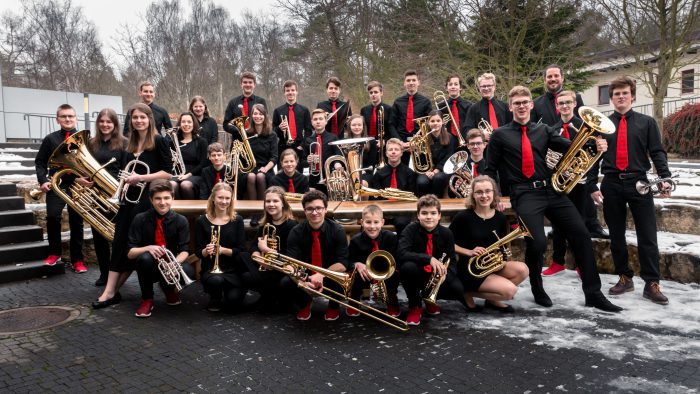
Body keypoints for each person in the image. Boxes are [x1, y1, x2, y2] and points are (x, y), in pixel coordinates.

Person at [483, 85, 621, 312]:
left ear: (531, 105)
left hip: (552, 190)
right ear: (510, 107)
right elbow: (490, 169)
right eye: (516, 103)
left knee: (581, 234)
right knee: (536, 242)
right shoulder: (500, 135)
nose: (521, 106)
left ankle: (593, 294)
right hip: (524, 193)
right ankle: (537, 287)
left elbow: (571, 149)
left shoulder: (543, 130)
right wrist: (494, 194)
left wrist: (594, 145)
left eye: (525, 102)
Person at [589, 76, 671, 305]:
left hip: (639, 183)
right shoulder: (602, 125)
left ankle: (651, 283)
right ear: (611, 98)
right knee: (616, 235)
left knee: (648, 235)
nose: (621, 97)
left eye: (625, 93)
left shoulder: (646, 122)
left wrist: (664, 177)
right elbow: (593, 157)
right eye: (616, 94)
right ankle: (624, 277)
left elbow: (657, 152)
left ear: (632, 96)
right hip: (611, 183)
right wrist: (592, 184)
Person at [92, 103, 173, 309]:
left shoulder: (159, 141)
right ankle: (110, 291)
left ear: (149, 119)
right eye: (135, 118)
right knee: (120, 243)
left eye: (142, 118)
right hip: (128, 201)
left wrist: (141, 177)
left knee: (133, 245)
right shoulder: (129, 143)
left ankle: (111, 292)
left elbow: (167, 172)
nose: (139, 121)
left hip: (147, 201)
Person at [531, 65, 607, 238]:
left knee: (583, 197)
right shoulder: (538, 103)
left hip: (576, 148)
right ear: (545, 80)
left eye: (556, 76)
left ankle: (592, 226)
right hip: (555, 154)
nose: (552, 79)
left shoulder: (575, 97)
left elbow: (584, 120)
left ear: (562, 78)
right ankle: (558, 231)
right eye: (549, 76)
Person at [449, 176, 529, 312]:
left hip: (490, 266)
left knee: (523, 269)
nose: (484, 195)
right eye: (479, 192)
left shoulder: (500, 217)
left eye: (488, 191)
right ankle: (466, 292)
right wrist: (468, 251)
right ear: (473, 195)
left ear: (494, 193)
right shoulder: (463, 217)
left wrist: (502, 259)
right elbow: (446, 243)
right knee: (509, 291)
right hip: (471, 270)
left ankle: (492, 300)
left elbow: (502, 245)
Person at [542, 91, 589, 277]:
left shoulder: (585, 126)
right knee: (558, 225)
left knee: (580, 225)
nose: (564, 106)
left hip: (580, 182)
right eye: (561, 103)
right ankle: (557, 262)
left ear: (575, 103)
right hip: (559, 183)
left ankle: (580, 263)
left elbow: (593, 155)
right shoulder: (552, 129)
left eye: (568, 102)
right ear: (556, 106)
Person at [397, 195, 464, 326]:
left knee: (457, 289)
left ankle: (429, 299)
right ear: (418, 215)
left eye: (433, 213)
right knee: (407, 268)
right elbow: (401, 253)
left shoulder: (447, 233)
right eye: (424, 213)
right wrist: (428, 259)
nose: (429, 217)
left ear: (439, 216)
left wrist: (445, 276)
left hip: (435, 275)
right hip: (416, 272)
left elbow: (452, 260)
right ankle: (414, 306)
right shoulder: (410, 230)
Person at [284, 190, 350, 321]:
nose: (314, 213)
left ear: (325, 209)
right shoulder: (296, 232)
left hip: (329, 274)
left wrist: (321, 274)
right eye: (310, 209)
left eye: (319, 208)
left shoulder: (337, 230)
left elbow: (343, 263)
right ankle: (305, 302)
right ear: (304, 211)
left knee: (343, 278)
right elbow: (291, 263)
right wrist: (300, 282)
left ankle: (334, 306)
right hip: (305, 275)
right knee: (286, 282)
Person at [128, 180, 191, 318]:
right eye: (158, 198)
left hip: (170, 265)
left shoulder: (181, 220)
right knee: (144, 258)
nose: (162, 202)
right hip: (149, 266)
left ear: (173, 198)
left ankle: (169, 290)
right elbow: (131, 253)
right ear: (151, 200)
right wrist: (148, 248)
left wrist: (174, 264)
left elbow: (185, 250)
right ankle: (147, 299)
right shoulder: (140, 219)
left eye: (166, 198)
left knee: (187, 270)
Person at [35, 104, 86, 273]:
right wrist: (43, 180)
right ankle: (54, 253)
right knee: (53, 218)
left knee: (76, 222)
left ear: (75, 118)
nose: (67, 119)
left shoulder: (84, 138)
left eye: (70, 116)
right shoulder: (50, 139)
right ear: (58, 119)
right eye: (63, 116)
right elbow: (40, 162)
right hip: (56, 185)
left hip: (77, 185)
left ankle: (77, 260)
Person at [84, 108, 130, 285]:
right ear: (98, 123)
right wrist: (82, 179)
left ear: (115, 124)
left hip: (116, 193)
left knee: (119, 236)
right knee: (99, 235)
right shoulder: (91, 143)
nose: (105, 124)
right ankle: (104, 273)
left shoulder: (124, 143)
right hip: (95, 194)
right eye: (102, 121)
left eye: (109, 122)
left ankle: (117, 272)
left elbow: (127, 168)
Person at [195, 183, 248, 312]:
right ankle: (215, 296)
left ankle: (231, 291)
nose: (224, 202)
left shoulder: (237, 220)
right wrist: (206, 251)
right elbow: (198, 252)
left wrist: (223, 250)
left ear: (231, 200)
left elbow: (241, 250)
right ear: (213, 198)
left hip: (232, 269)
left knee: (233, 301)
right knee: (216, 281)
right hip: (210, 269)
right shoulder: (202, 221)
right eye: (220, 198)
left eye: (227, 198)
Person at [249, 186, 298, 309]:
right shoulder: (266, 223)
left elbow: (292, 255)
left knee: (278, 281)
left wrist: (266, 250)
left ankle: (276, 297)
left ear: (283, 204)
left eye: (275, 201)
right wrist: (256, 254)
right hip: (267, 265)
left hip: (283, 267)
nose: (271, 204)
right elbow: (255, 244)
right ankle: (267, 296)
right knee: (243, 259)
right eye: (268, 201)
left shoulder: (291, 225)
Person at [348, 205, 400, 317]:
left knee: (394, 275)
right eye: (368, 222)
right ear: (361, 222)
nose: (372, 226)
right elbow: (348, 260)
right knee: (354, 273)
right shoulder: (356, 240)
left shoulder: (390, 238)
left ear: (382, 222)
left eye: (376, 222)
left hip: (385, 273)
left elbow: (396, 259)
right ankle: (354, 300)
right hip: (365, 274)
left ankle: (392, 300)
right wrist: (356, 264)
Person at [369, 138, 416, 236]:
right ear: (386, 153)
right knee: (370, 223)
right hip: (383, 209)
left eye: (396, 149)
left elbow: (412, 196)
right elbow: (375, 196)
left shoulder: (409, 173)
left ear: (402, 153)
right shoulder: (378, 174)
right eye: (390, 150)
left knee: (401, 223)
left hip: (402, 210)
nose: (393, 152)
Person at [244, 104, 279, 219]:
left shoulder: (272, 134)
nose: (257, 116)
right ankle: (254, 213)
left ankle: (263, 213)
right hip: (250, 167)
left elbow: (274, 157)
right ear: (251, 116)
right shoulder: (246, 134)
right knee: (250, 177)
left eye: (260, 114)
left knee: (260, 176)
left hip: (266, 168)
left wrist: (265, 168)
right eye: (255, 113)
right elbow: (243, 156)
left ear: (265, 116)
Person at [391, 70, 432, 164]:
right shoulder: (397, 102)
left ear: (418, 82)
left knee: (420, 175)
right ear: (404, 83)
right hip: (401, 143)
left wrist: (417, 142)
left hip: (420, 143)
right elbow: (391, 124)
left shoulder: (426, 102)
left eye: (414, 80)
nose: (411, 83)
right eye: (408, 80)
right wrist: (399, 142)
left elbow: (428, 125)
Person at [415, 110, 455, 197]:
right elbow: (420, 159)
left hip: (443, 170)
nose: (435, 123)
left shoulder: (450, 137)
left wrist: (436, 170)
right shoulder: (423, 138)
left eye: (438, 121)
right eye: (432, 121)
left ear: (442, 122)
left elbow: (449, 157)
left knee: (438, 178)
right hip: (426, 170)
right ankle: (423, 203)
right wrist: (427, 171)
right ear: (428, 123)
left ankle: (436, 201)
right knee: (421, 182)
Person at [169, 112, 208, 200]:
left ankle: (192, 213)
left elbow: (203, 163)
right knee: (172, 185)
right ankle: (177, 212)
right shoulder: (173, 142)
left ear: (193, 124)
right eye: (183, 122)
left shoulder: (201, 142)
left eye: (189, 122)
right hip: (177, 175)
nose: (186, 124)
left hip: (194, 175)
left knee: (185, 185)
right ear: (179, 124)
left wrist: (187, 175)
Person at [272, 80, 312, 165]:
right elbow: (272, 131)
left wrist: (302, 145)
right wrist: (279, 128)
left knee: (298, 175)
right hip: (283, 148)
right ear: (284, 93)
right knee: (283, 175)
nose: (290, 92)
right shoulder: (278, 111)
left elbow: (309, 131)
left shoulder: (304, 110)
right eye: (287, 90)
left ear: (297, 92)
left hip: (299, 147)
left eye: (293, 90)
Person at [302, 109, 341, 191]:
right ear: (312, 122)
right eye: (315, 119)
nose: (318, 122)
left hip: (330, 176)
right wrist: (308, 160)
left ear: (326, 121)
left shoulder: (333, 138)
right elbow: (302, 161)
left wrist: (337, 165)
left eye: (321, 119)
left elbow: (338, 156)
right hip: (313, 178)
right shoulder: (308, 140)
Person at [464, 72, 511, 137]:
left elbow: (512, 126)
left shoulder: (505, 106)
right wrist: (481, 134)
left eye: (489, 85)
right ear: (479, 88)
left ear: (494, 87)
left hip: (504, 143)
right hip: (484, 145)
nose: (486, 88)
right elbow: (467, 129)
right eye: (483, 86)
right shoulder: (473, 108)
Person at [360, 81, 395, 166]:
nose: (373, 94)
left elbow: (391, 128)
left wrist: (385, 140)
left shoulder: (389, 109)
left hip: (383, 147)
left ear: (381, 93)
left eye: (376, 92)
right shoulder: (364, 110)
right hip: (368, 146)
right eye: (371, 93)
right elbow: (362, 129)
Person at [223, 71, 267, 139]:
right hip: (238, 141)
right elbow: (226, 124)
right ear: (241, 84)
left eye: (250, 82)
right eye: (245, 82)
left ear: (254, 85)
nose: (248, 84)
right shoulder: (233, 102)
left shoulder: (261, 101)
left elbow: (265, 121)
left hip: (257, 140)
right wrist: (239, 130)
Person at [344, 114, 376, 183]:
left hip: (365, 172)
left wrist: (360, 172)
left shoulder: (371, 142)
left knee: (361, 183)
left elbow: (372, 163)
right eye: (354, 125)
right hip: (349, 173)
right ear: (349, 127)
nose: (357, 127)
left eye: (359, 125)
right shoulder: (344, 142)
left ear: (363, 127)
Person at [442, 74, 471, 140]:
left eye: (456, 84)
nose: (453, 87)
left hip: (466, 139)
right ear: (446, 88)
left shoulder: (469, 106)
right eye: (450, 84)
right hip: (447, 141)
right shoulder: (441, 106)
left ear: (460, 87)